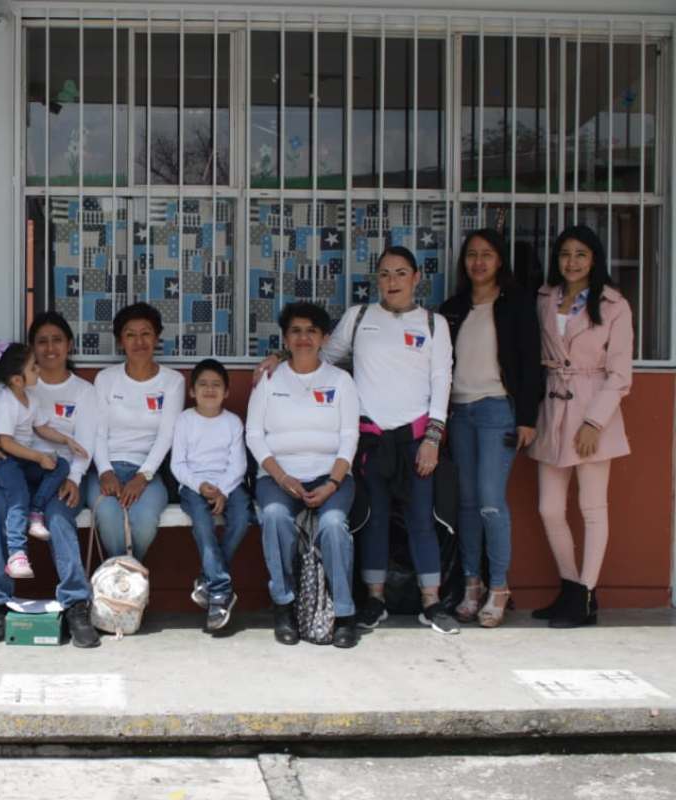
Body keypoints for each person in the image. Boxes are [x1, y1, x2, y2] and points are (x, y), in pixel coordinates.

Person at [257, 247, 456, 634]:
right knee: (374, 519)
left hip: (417, 439)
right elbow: (320, 354)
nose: (392, 281)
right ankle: (375, 600)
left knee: (420, 519)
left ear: (417, 278)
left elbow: (441, 383)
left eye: (401, 273)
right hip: (372, 439)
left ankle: (432, 602)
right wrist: (280, 356)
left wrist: (433, 438)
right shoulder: (360, 317)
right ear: (376, 279)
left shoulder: (434, 324)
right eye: (384, 274)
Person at [528, 225, 632, 629]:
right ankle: (571, 588)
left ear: (595, 259)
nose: (571, 262)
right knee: (549, 508)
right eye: (565, 254)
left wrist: (594, 422)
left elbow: (620, 374)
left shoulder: (614, 305)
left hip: (593, 407)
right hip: (552, 408)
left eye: (581, 254)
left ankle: (586, 594)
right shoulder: (544, 298)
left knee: (592, 508)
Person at [0, 311, 101, 648]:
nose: (49, 348)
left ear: (69, 345)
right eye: (42, 341)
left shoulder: (84, 391)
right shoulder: (13, 383)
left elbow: (85, 441)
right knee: (1, 510)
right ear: (32, 349)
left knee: (60, 516)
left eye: (57, 340)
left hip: (56, 476)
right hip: (16, 467)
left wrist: (74, 478)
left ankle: (76, 603)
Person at [439, 229, 542, 628]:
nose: (478, 262)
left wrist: (527, 418)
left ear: (500, 260)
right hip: (460, 412)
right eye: (471, 255)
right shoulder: (453, 307)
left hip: (498, 409)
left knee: (489, 500)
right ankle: (472, 584)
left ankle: (499, 587)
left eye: (487, 254)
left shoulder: (516, 304)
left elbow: (531, 362)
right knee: (465, 502)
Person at [246, 302, 360, 648]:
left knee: (333, 525)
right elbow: (254, 435)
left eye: (311, 331)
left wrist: (332, 484)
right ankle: (284, 605)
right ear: (285, 338)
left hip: (331, 475)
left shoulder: (341, 381)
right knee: (275, 516)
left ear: (325, 338)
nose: (303, 338)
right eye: (295, 331)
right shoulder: (268, 379)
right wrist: (282, 479)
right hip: (279, 478)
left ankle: (344, 613)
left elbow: (349, 438)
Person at [0, 341, 86, 580]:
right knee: (17, 495)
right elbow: (5, 443)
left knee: (61, 466)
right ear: (16, 379)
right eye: (34, 368)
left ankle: (36, 513)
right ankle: (17, 554)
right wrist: (38, 456)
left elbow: (42, 428)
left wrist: (66, 441)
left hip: (22, 460)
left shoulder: (31, 399)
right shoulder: (4, 402)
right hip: (3, 462)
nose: (39, 370)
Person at [89, 303, 185, 560]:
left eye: (146, 333)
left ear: (157, 337)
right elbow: (97, 432)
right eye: (130, 334)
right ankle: (123, 584)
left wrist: (142, 477)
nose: (139, 341)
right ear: (121, 341)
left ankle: (126, 578)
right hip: (105, 469)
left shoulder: (173, 381)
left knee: (142, 520)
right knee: (109, 516)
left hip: (148, 473)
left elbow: (167, 436)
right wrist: (105, 471)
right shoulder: (106, 379)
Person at [171, 358, 249, 632]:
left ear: (227, 392)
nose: (209, 389)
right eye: (202, 384)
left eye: (216, 385)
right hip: (194, 485)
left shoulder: (232, 422)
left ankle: (209, 578)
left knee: (241, 518)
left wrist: (224, 491)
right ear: (192, 391)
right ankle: (220, 590)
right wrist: (201, 485)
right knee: (203, 525)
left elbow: (238, 464)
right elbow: (177, 464)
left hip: (230, 483)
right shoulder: (184, 420)